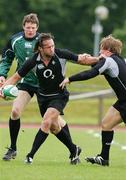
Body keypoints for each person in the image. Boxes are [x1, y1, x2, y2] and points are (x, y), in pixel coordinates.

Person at [0, 33, 99, 164]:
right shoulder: (32, 61)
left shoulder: (61, 54)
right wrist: (2, 89)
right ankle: (74, 149)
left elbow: (82, 59)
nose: (52, 49)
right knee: (54, 127)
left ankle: (30, 156)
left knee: (46, 122)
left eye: (53, 46)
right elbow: (15, 78)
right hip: (44, 98)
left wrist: (100, 59)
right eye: (48, 47)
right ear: (40, 48)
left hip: (59, 96)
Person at [60, 35, 126, 166]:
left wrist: (70, 79)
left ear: (107, 49)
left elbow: (91, 73)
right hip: (123, 101)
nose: (99, 52)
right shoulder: (121, 60)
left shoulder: (108, 61)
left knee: (107, 124)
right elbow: (96, 66)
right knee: (106, 124)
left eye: (101, 49)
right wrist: (91, 59)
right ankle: (103, 158)